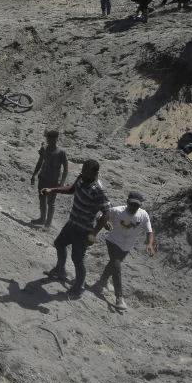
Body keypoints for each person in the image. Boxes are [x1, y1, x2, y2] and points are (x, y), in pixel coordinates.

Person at [40, 160, 112, 300]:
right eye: (83, 170)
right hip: (72, 222)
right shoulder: (81, 178)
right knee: (59, 243)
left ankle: (78, 289)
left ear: (95, 173)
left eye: (87, 172)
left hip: (84, 229)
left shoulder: (98, 190)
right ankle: (60, 270)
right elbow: (72, 189)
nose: (83, 174)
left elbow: (107, 213)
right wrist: (53, 189)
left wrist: (93, 234)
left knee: (78, 259)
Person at [94, 191, 154, 311]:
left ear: (140, 205)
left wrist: (150, 244)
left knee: (114, 264)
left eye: (136, 205)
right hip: (113, 241)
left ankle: (103, 280)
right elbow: (99, 217)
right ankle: (119, 297)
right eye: (131, 204)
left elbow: (149, 231)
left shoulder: (143, 215)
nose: (133, 207)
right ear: (127, 202)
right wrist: (105, 223)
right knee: (116, 267)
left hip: (127, 246)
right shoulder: (117, 211)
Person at [30, 130, 69, 228]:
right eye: (49, 140)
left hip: (53, 181)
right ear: (47, 139)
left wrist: (62, 182)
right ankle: (42, 218)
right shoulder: (44, 149)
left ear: (57, 140)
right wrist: (34, 174)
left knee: (51, 202)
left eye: (53, 141)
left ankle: (48, 223)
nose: (51, 143)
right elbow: (39, 162)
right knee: (42, 198)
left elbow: (66, 168)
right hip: (43, 178)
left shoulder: (61, 152)